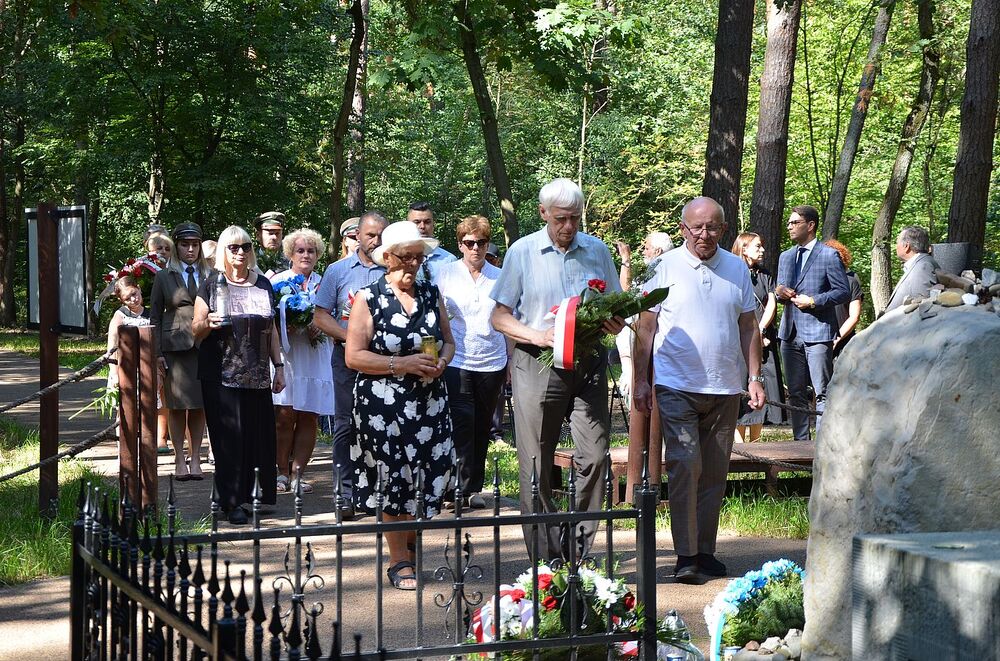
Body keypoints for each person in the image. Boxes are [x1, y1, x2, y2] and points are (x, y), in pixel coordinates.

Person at [490, 177, 624, 561]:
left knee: (596, 456)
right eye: (561, 218)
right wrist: (538, 335)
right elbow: (499, 317)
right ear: (543, 213)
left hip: (588, 363)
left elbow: (615, 307)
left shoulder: (596, 250)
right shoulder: (522, 251)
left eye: (575, 218)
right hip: (537, 362)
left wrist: (614, 322)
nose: (569, 226)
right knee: (536, 463)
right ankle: (546, 563)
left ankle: (577, 554)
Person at [632, 197, 765, 584]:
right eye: (696, 227)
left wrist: (754, 377)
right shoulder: (663, 267)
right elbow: (645, 327)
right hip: (676, 384)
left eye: (712, 227)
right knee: (686, 465)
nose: (704, 234)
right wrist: (641, 379)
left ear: (723, 229)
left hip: (725, 387)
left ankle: (705, 552)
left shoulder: (736, 268)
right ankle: (686, 555)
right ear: (683, 229)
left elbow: (748, 326)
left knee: (714, 473)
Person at [345, 220, 456, 591]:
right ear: (388, 258)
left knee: (423, 477)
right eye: (406, 257)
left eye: (418, 257)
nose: (413, 264)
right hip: (383, 407)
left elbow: (449, 341)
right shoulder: (368, 297)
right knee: (393, 477)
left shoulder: (431, 293)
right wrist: (401, 364)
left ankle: (408, 544)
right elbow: (353, 356)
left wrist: (442, 361)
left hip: (429, 403)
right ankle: (399, 561)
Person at [192, 225, 285, 525]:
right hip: (220, 372)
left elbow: (271, 329)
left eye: (245, 246)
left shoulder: (263, 284)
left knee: (257, 436)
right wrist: (208, 323)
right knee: (229, 437)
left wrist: (279, 366)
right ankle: (231, 501)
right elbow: (195, 330)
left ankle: (249, 494)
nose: (240, 252)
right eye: (233, 247)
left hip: (256, 372)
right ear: (223, 251)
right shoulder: (211, 284)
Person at [313, 210, 389, 519]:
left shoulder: (393, 269)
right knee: (346, 425)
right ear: (357, 235)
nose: (376, 241)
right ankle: (344, 495)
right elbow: (320, 315)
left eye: (381, 235)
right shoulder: (337, 270)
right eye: (370, 235)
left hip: (384, 361)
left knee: (381, 425)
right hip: (346, 359)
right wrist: (351, 337)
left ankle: (378, 493)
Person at [437, 215, 508, 509]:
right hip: (457, 359)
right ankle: (454, 487)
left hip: (492, 360)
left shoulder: (500, 276)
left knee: (481, 425)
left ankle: (472, 488)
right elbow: (436, 316)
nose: (475, 248)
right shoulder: (445, 274)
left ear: (487, 244)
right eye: (469, 242)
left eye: (481, 242)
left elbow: (509, 318)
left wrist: (511, 361)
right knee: (460, 422)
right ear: (460, 245)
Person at [774, 205, 850, 442]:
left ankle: (823, 445)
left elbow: (843, 291)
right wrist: (779, 292)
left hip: (818, 332)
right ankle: (801, 444)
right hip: (789, 333)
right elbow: (778, 290)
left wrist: (814, 301)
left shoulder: (828, 255)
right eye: (788, 223)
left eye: (794, 222)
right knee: (795, 393)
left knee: (822, 392)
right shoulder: (786, 257)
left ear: (810, 225)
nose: (789, 227)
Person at [270, 228, 334, 494]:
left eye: (311, 250)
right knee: (285, 415)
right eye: (300, 250)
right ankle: (281, 472)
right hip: (288, 354)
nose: (306, 255)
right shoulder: (277, 282)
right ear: (290, 253)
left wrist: (322, 324)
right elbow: (268, 319)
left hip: (316, 354)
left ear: (317, 254)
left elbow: (336, 313)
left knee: (309, 415)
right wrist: (285, 325)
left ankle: (298, 474)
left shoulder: (326, 282)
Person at [150, 222, 211, 480]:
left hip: (205, 344)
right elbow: (154, 316)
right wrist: (156, 353)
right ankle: (178, 459)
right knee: (176, 406)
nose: (190, 249)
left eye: (195, 244)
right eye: (185, 244)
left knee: (199, 405)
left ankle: (195, 458)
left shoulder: (211, 274)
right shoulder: (164, 276)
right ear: (177, 247)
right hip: (174, 347)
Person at [731, 232, 782, 441]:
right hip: (738, 341)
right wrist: (750, 334)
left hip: (764, 339)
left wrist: (760, 329)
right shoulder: (733, 273)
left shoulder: (765, 275)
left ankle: (756, 443)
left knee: (764, 386)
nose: (762, 250)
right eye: (757, 246)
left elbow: (771, 303)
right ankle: (740, 447)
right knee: (741, 387)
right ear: (744, 248)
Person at [614, 231, 674, 407]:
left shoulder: (665, 272)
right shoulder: (648, 273)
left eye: (646, 248)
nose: (643, 251)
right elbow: (625, 291)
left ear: (657, 251)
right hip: (637, 341)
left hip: (658, 346)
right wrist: (625, 259)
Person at [882, 225, 940, 315]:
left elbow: (922, 308)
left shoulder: (922, 267)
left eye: (897, 243)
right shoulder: (921, 264)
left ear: (906, 246)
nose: (896, 247)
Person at [824, 239, 864, 357]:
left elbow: (854, 316)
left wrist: (836, 339)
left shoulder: (851, 281)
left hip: (844, 342)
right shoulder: (816, 282)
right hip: (819, 342)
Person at [407, 201, 456, 281]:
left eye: (427, 222)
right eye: (417, 222)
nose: (422, 226)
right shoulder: (400, 260)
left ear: (433, 224)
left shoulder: (449, 261)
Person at [255, 211, 290, 277]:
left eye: (277, 233)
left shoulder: (292, 260)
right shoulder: (249, 261)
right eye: (270, 233)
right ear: (258, 236)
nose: (274, 237)